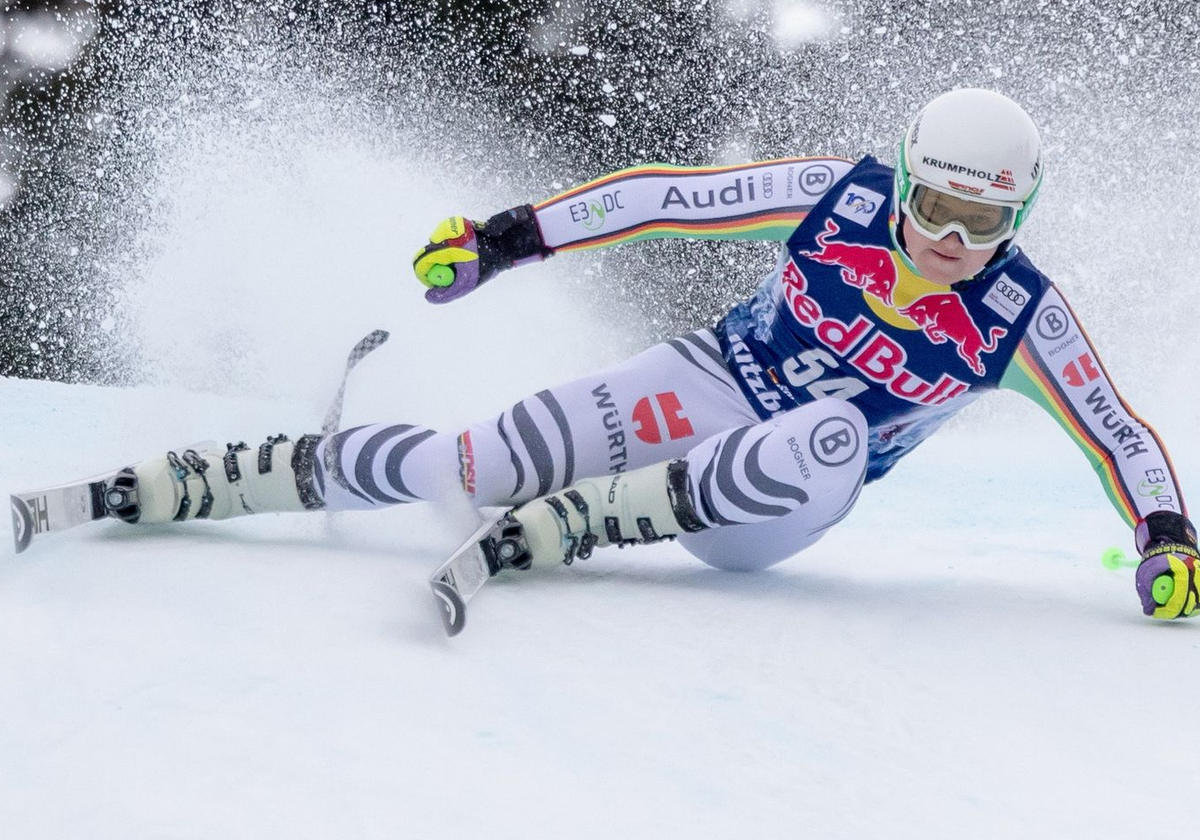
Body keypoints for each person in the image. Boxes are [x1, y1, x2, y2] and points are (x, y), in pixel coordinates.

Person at [118, 88, 1197, 619]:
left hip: (775, 503)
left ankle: (590, 518)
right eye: (936, 208)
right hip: (710, 381)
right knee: (483, 464)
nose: (952, 243)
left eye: (986, 222)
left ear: (1022, 220)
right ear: (905, 180)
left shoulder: (1020, 316)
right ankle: (286, 470)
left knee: (829, 429)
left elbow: (1117, 429)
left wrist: (1166, 537)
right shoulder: (839, 196)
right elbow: (666, 197)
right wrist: (505, 239)